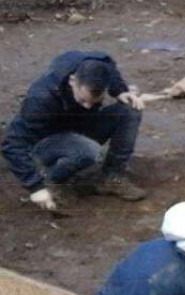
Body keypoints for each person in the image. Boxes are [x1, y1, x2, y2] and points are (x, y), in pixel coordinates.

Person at [1, 50, 147, 212]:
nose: (87, 106)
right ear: (72, 81)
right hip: (46, 143)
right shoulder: (41, 99)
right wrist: (35, 186)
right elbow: (12, 144)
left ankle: (111, 176)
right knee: (88, 150)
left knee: (130, 109)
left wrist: (120, 91)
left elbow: (108, 65)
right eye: (82, 100)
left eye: (94, 102)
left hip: (78, 126)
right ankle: (51, 180)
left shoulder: (98, 67)